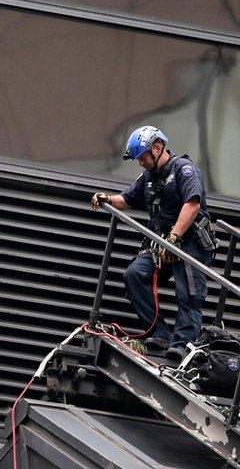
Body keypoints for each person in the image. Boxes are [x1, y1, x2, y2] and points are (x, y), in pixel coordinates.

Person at [91, 126, 217, 362]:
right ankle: (159, 334)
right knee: (135, 275)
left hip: (190, 244)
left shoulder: (184, 170)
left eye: (142, 158)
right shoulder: (148, 178)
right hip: (163, 244)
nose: (140, 163)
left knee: (188, 295)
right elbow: (127, 198)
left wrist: (174, 238)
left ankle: (182, 346)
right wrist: (107, 197)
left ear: (157, 148)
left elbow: (192, 205)